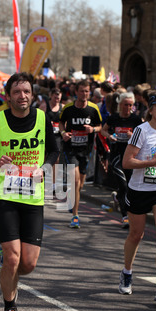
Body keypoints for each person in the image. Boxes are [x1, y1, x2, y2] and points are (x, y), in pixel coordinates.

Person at [0, 72, 59, 311]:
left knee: (28, 264)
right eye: (17, 92)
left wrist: (44, 167)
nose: (23, 96)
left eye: (27, 92)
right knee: (12, 259)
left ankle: (0, 251)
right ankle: (9, 307)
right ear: (8, 97)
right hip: (5, 195)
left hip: (32, 196)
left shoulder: (43, 119)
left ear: (32, 95)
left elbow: (54, 149)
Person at [119, 93, 156, 301]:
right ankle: (127, 272)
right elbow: (127, 162)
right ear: (150, 110)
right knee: (136, 235)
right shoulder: (141, 131)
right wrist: (150, 162)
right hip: (140, 190)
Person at [59, 79, 102, 228]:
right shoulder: (68, 108)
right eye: (82, 91)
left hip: (86, 150)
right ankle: (75, 216)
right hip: (70, 149)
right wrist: (63, 133)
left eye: (87, 91)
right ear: (76, 92)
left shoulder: (93, 109)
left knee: (80, 184)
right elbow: (61, 123)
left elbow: (100, 126)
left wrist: (93, 130)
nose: (84, 94)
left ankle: (73, 200)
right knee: (76, 181)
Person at [101, 92, 142, 227]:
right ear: (120, 105)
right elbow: (103, 130)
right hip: (117, 156)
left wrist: (134, 135)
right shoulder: (114, 118)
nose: (128, 107)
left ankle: (118, 197)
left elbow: (143, 137)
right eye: (125, 105)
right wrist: (109, 136)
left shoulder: (136, 120)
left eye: (130, 105)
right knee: (124, 185)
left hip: (130, 157)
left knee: (129, 186)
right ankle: (125, 216)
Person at [39, 88, 63, 194]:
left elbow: (64, 122)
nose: (57, 99)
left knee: (56, 159)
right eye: (55, 96)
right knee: (44, 159)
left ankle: (53, 183)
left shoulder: (62, 108)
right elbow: (38, 119)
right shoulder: (44, 106)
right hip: (45, 136)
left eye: (59, 97)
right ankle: (42, 180)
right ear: (51, 96)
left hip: (57, 136)